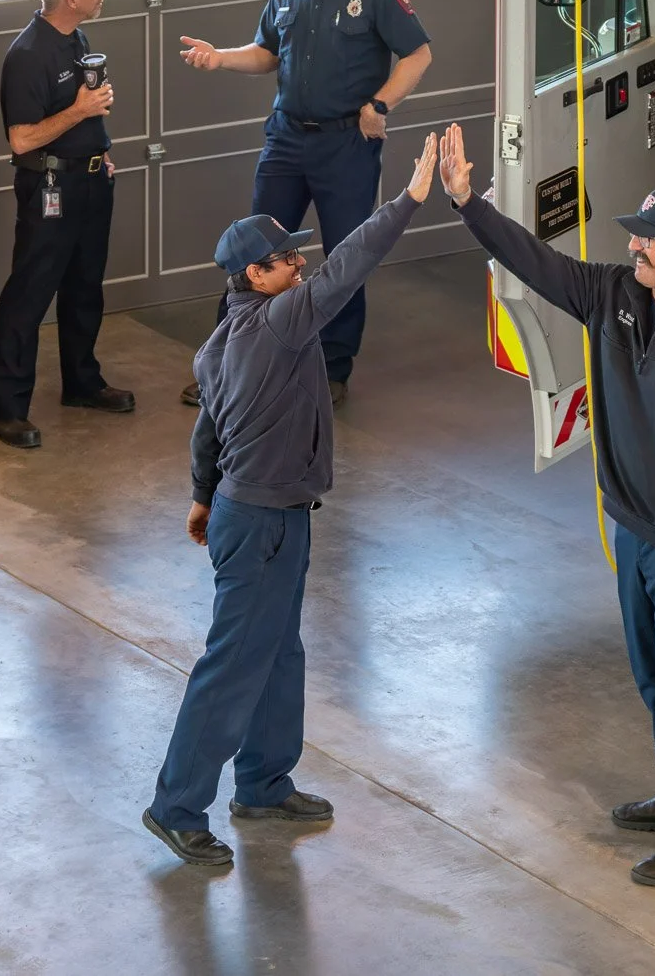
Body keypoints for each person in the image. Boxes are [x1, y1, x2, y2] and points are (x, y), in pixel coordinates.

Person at [437, 124, 655, 888]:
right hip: (635, 532)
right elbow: (537, 262)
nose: (636, 250)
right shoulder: (617, 297)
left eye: (651, 242)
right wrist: (468, 204)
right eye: (637, 238)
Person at [142, 136, 440, 867]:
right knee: (235, 660)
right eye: (286, 259)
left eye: (297, 254)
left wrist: (200, 496)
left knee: (279, 652)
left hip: (262, 513)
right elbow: (350, 266)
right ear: (255, 274)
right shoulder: (280, 323)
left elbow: (208, 427)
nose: (300, 263)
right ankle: (175, 806)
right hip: (264, 521)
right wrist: (410, 198)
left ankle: (264, 784)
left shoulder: (217, 346)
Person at [176, 0, 434, 410]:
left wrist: (379, 106)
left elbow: (418, 54)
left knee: (345, 254)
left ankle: (332, 368)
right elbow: (267, 53)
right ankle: (229, 360)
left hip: (345, 144)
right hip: (287, 137)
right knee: (253, 251)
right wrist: (220, 58)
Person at [0, 0, 135, 450]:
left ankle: (83, 383)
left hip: (91, 182)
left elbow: (88, 112)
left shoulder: (78, 41)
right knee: (29, 295)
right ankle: (8, 411)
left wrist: (102, 150)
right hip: (50, 188)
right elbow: (23, 140)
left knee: (85, 287)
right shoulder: (28, 55)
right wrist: (79, 112)